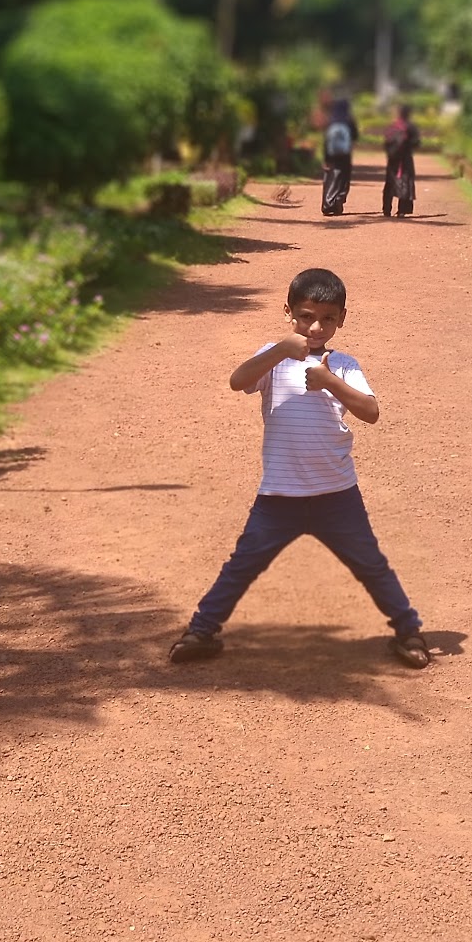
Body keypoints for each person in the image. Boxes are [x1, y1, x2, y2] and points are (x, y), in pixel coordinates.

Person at [169, 266, 430, 669]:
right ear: (289, 311)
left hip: (336, 494)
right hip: (279, 495)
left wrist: (328, 381)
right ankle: (201, 631)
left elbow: (370, 411)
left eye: (328, 318)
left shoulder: (342, 364)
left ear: (342, 318)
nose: (316, 327)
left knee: (370, 564)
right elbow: (238, 381)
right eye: (307, 316)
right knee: (243, 564)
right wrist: (278, 350)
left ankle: (408, 630)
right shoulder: (272, 360)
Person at [320, 97, 358, 216]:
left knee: (330, 176)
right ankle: (338, 201)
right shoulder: (349, 120)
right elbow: (355, 136)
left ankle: (327, 204)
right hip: (345, 154)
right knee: (343, 177)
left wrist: (326, 158)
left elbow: (326, 141)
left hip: (331, 154)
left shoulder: (331, 120)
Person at [382, 102, 420, 218]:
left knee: (390, 183)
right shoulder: (410, 127)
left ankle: (387, 209)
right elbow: (416, 142)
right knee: (405, 182)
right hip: (405, 159)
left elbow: (386, 143)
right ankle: (402, 210)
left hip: (393, 159)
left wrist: (391, 152)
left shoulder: (393, 126)